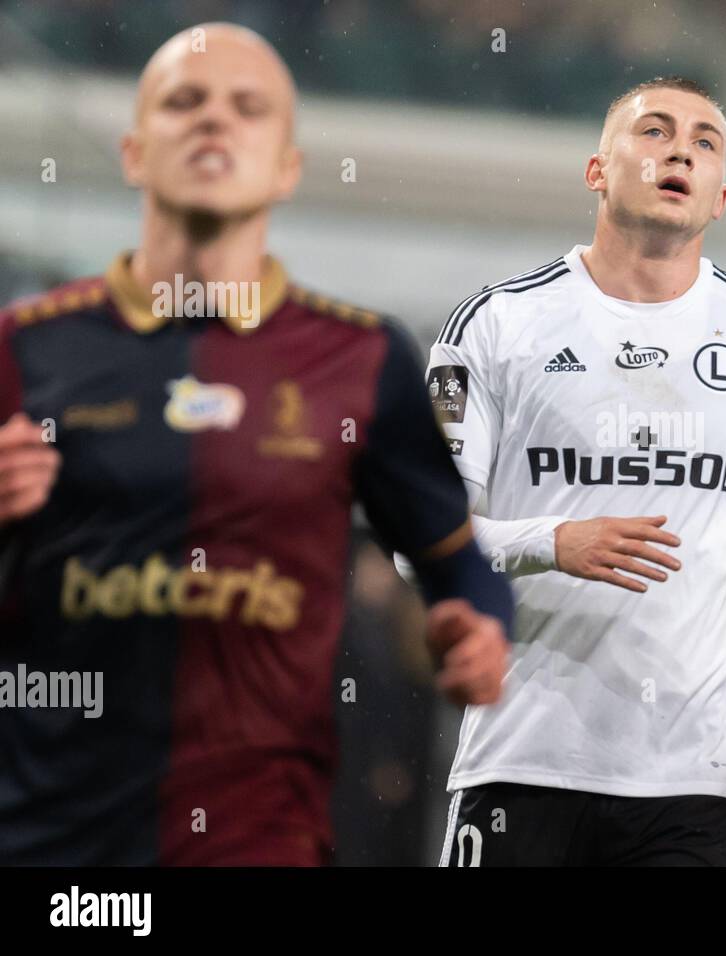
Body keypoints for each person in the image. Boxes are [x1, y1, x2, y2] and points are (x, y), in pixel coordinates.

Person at [0, 23, 511, 865]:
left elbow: (461, 567)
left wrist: (481, 630)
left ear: (287, 166)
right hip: (54, 855)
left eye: (247, 107)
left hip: (259, 845)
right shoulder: (23, 349)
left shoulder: (363, 361)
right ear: (133, 152)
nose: (214, 122)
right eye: (184, 102)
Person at [426, 76, 726, 866]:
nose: (681, 148)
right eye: (653, 131)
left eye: (706, 142)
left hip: (696, 788)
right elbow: (423, 540)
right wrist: (555, 541)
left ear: (719, 198)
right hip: (520, 769)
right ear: (597, 171)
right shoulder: (499, 324)